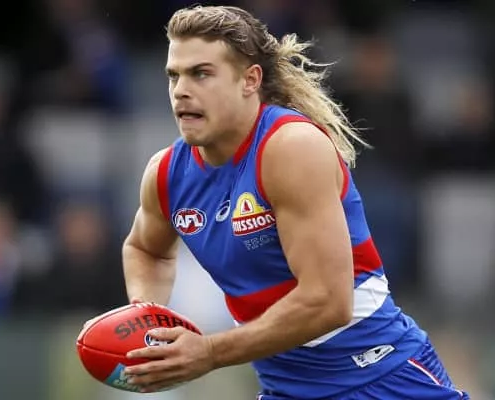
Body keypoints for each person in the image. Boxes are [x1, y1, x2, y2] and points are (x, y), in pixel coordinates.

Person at [116, 5, 469, 399]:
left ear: (250, 80)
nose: (181, 90)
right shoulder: (166, 173)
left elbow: (328, 302)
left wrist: (210, 352)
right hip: (286, 389)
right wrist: (146, 316)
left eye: (201, 73)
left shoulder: (290, 147)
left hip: (378, 378)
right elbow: (145, 248)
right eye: (174, 75)